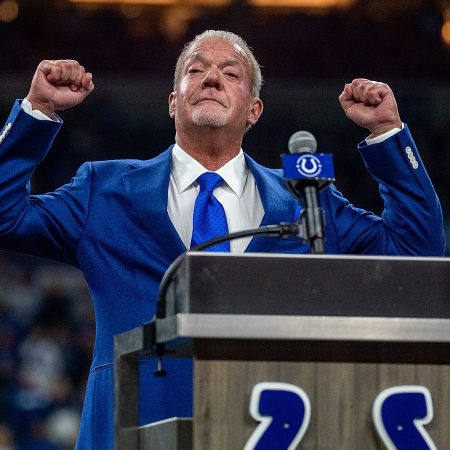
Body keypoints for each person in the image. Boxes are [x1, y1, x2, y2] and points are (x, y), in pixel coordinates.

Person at [0, 29, 444, 449]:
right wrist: (37, 111)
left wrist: (387, 134)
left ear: (253, 111)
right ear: (174, 102)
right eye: (195, 70)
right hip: (128, 428)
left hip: (261, 429)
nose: (211, 77)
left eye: (231, 74)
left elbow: (416, 252)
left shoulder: (308, 201)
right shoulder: (105, 189)